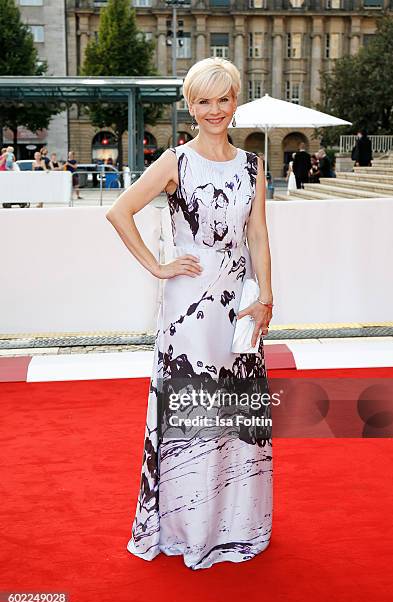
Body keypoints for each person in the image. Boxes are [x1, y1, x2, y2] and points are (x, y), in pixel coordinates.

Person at [106, 56, 274, 570]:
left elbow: (259, 234)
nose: (215, 110)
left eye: (223, 99)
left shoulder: (252, 165)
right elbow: (119, 211)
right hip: (190, 308)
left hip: (238, 304)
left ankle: (236, 524)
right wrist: (158, 268)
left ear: (235, 101)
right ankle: (190, 527)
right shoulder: (176, 162)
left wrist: (267, 296)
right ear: (191, 106)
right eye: (204, 101)